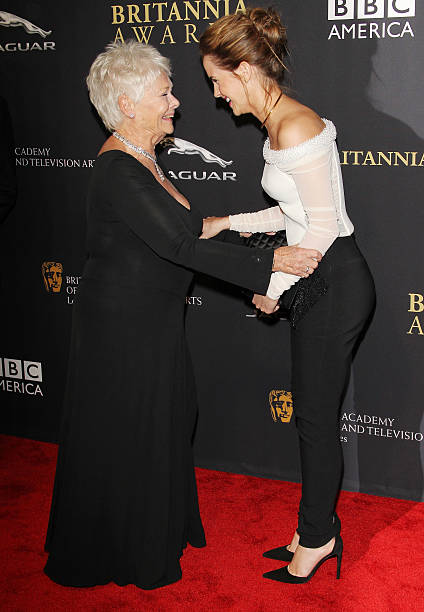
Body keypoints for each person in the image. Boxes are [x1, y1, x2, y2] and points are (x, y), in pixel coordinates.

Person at [43, 40, 321, 590]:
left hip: (153, 319)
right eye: (165, 93)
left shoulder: (143, 161)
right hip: (122, 331)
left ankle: (158, 528)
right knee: (131, 432)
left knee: (165, 422)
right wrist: (270, 263)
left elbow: (191, 229)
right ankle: (127, 548)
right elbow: (179, 246)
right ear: (127, 104)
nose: (177, 102)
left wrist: (250, 231)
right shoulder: (118, 169)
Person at [199, 8, 376, 584]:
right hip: (318, 276)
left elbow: (322, 227)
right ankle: (312, 527)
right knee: (312, 417)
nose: (217, 95)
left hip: (333, 279)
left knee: (316, 421)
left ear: (246, 70)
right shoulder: (279, 126)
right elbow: (292, 213)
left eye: (218, 81)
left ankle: (319, 537)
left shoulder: (296, 126)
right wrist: (228, 222)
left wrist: (274, 288)